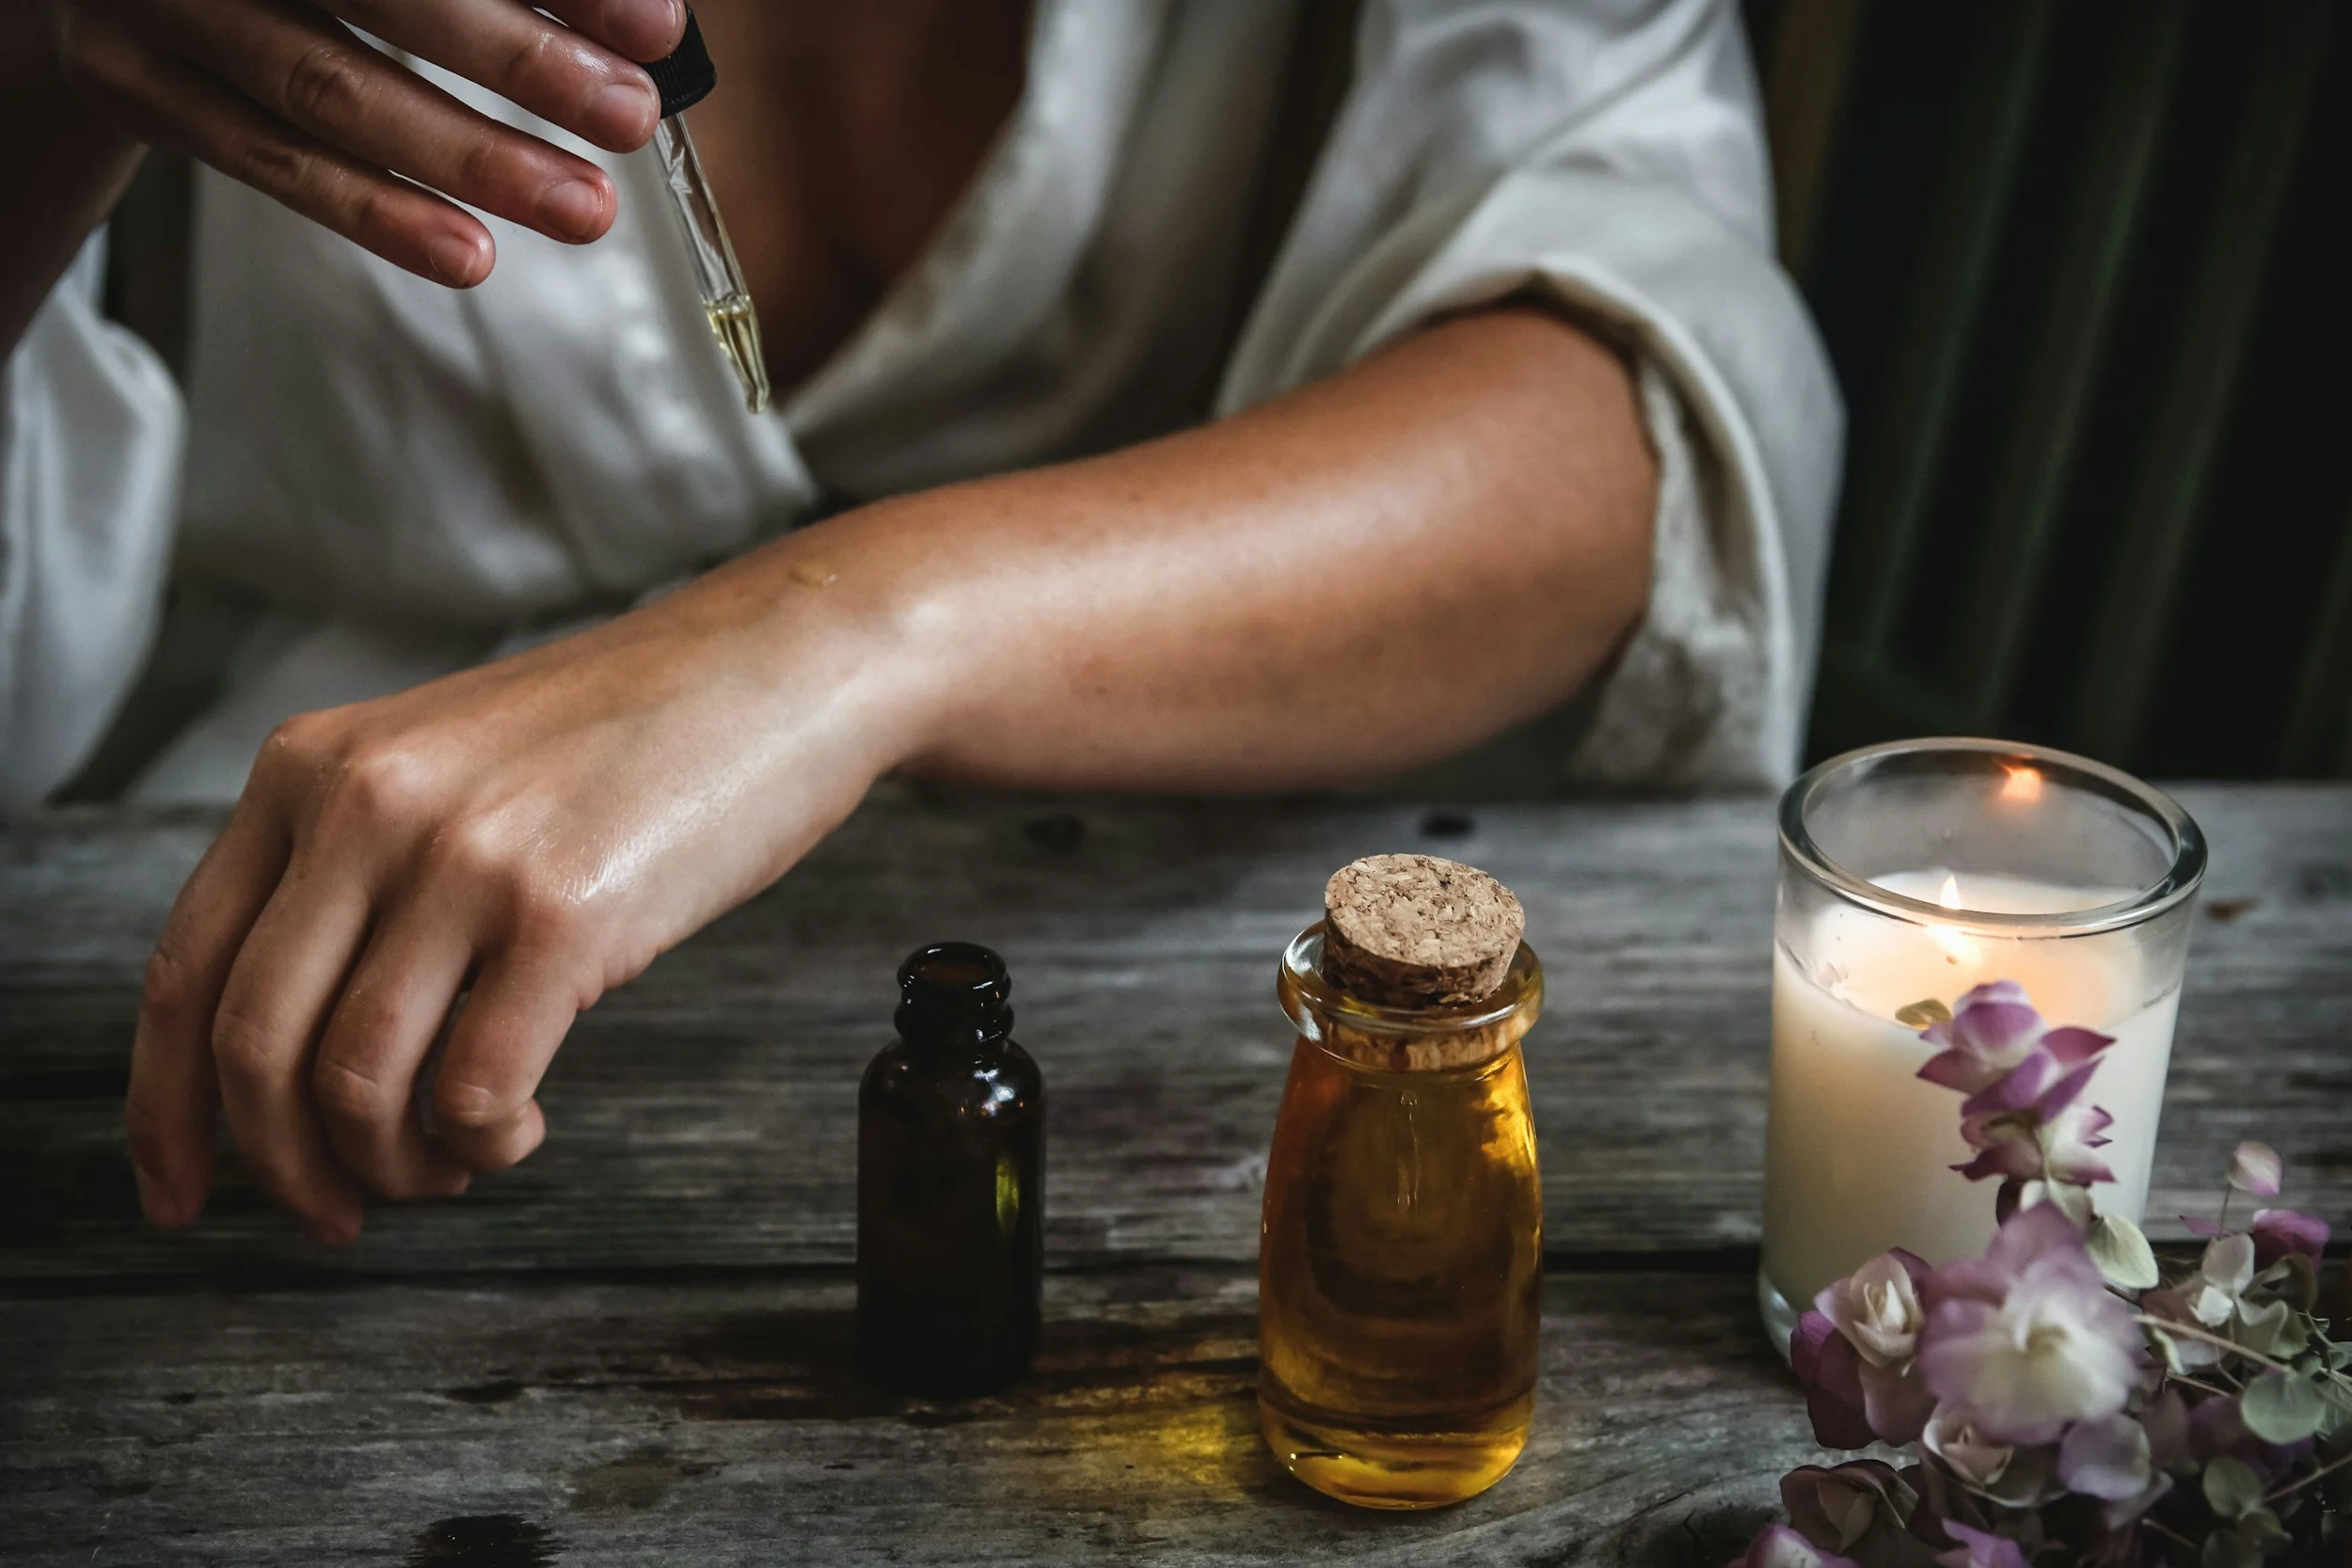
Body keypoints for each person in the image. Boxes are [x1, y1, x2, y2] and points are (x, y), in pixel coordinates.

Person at [1, 0, 1840, 1243]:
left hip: (1153, 1018)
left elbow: (1629, 399)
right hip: (262, 1002)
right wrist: (40, 69)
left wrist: (843, 632)